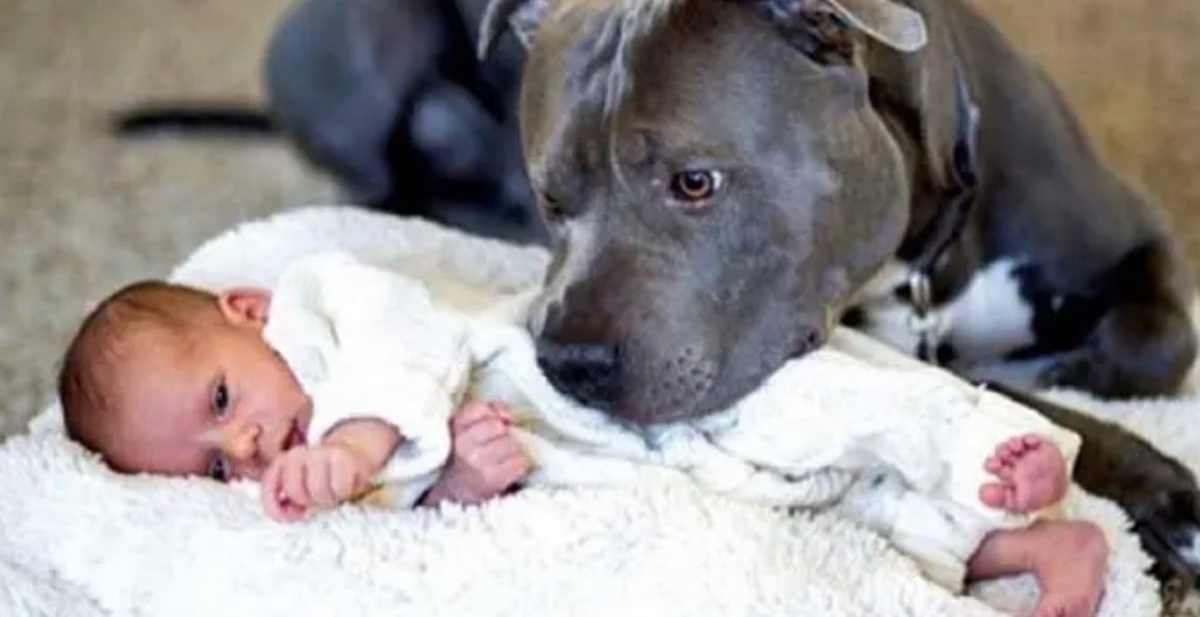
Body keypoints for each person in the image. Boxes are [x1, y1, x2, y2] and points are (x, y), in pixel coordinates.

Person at [58, 251, 1106, 617]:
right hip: (615, 463)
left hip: (628, 382)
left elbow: (404, 342)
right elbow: (421, 528)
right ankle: (1012, 546)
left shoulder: (320, 307)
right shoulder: (308, 478)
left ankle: (982, 453)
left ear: (244, 312)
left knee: (809, 406)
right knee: (802, 501)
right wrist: (464, 480)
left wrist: (363, 443)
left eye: (219, 404)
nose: (239, 450)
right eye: (204, 462)